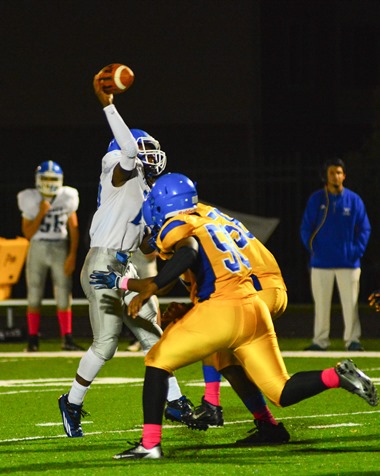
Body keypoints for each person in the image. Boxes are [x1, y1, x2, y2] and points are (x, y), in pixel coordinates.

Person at [90, 172, 378, 460]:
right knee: (278, 388)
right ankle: (336, 376)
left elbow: (187, 253)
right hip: (252, 306)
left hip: (229, 306)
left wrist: (144, 286)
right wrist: (134, 286)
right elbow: (208, 272)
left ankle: (151, 443)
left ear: (162, 204)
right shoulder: (207, 218)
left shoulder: (179, 224)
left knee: (157, 360)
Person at [58, 75, 194, 438]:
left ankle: (176, 402)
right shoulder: (119, 171)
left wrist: (164, 240)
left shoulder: (148, 189)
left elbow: (147, 244)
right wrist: (108, 104)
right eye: (139, 145)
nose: (146, 152)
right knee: (106, 344)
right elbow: (129, 153)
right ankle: (71, 401)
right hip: (101, 262)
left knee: (154, 334)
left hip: (125, 264)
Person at [162, 201, 290, 445]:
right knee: (224, 356)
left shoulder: (186, 230)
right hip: (267, 285)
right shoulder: (205, 214)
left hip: (254, 289)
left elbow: (208, 298)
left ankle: (212, 404)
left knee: (211, 332)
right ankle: (267, 425)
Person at [300, 158, 371, 351]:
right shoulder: (317, 199)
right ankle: (320, 341)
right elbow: (306, 228)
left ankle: (352, 340)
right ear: (326, 176)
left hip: (348, 263)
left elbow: (364, 229)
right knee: (321, 305)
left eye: (339, 172)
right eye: (332, 173)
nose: (336, 176)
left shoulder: (354, 200)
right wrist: (314, 249)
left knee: (351, 305)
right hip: (321, 262)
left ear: (344, 176)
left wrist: (355, 252)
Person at [17, 161, 82, 352]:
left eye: (52, 179)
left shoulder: (67, 196)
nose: (48, 183)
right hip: (38, 246)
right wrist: (41, 213)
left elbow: (74, 228)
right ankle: (32, 339)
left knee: (63, 293)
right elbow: (27, 233)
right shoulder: (30, 198)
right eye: (45, 178)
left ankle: (67, 338)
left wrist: (72, 254)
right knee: (34, 294)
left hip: (60, 247)